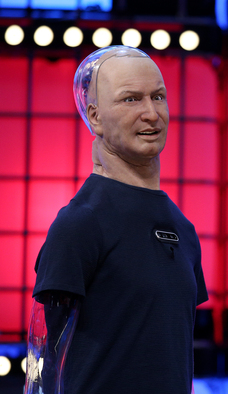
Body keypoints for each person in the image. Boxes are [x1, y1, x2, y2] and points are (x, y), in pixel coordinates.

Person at [24, 46, 208, 394]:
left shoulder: (183, 229)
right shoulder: (81, 223)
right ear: (95, 117)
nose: (151, 113)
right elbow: (41, 357)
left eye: (158, 96)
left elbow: (172, 353)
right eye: (131, 100)